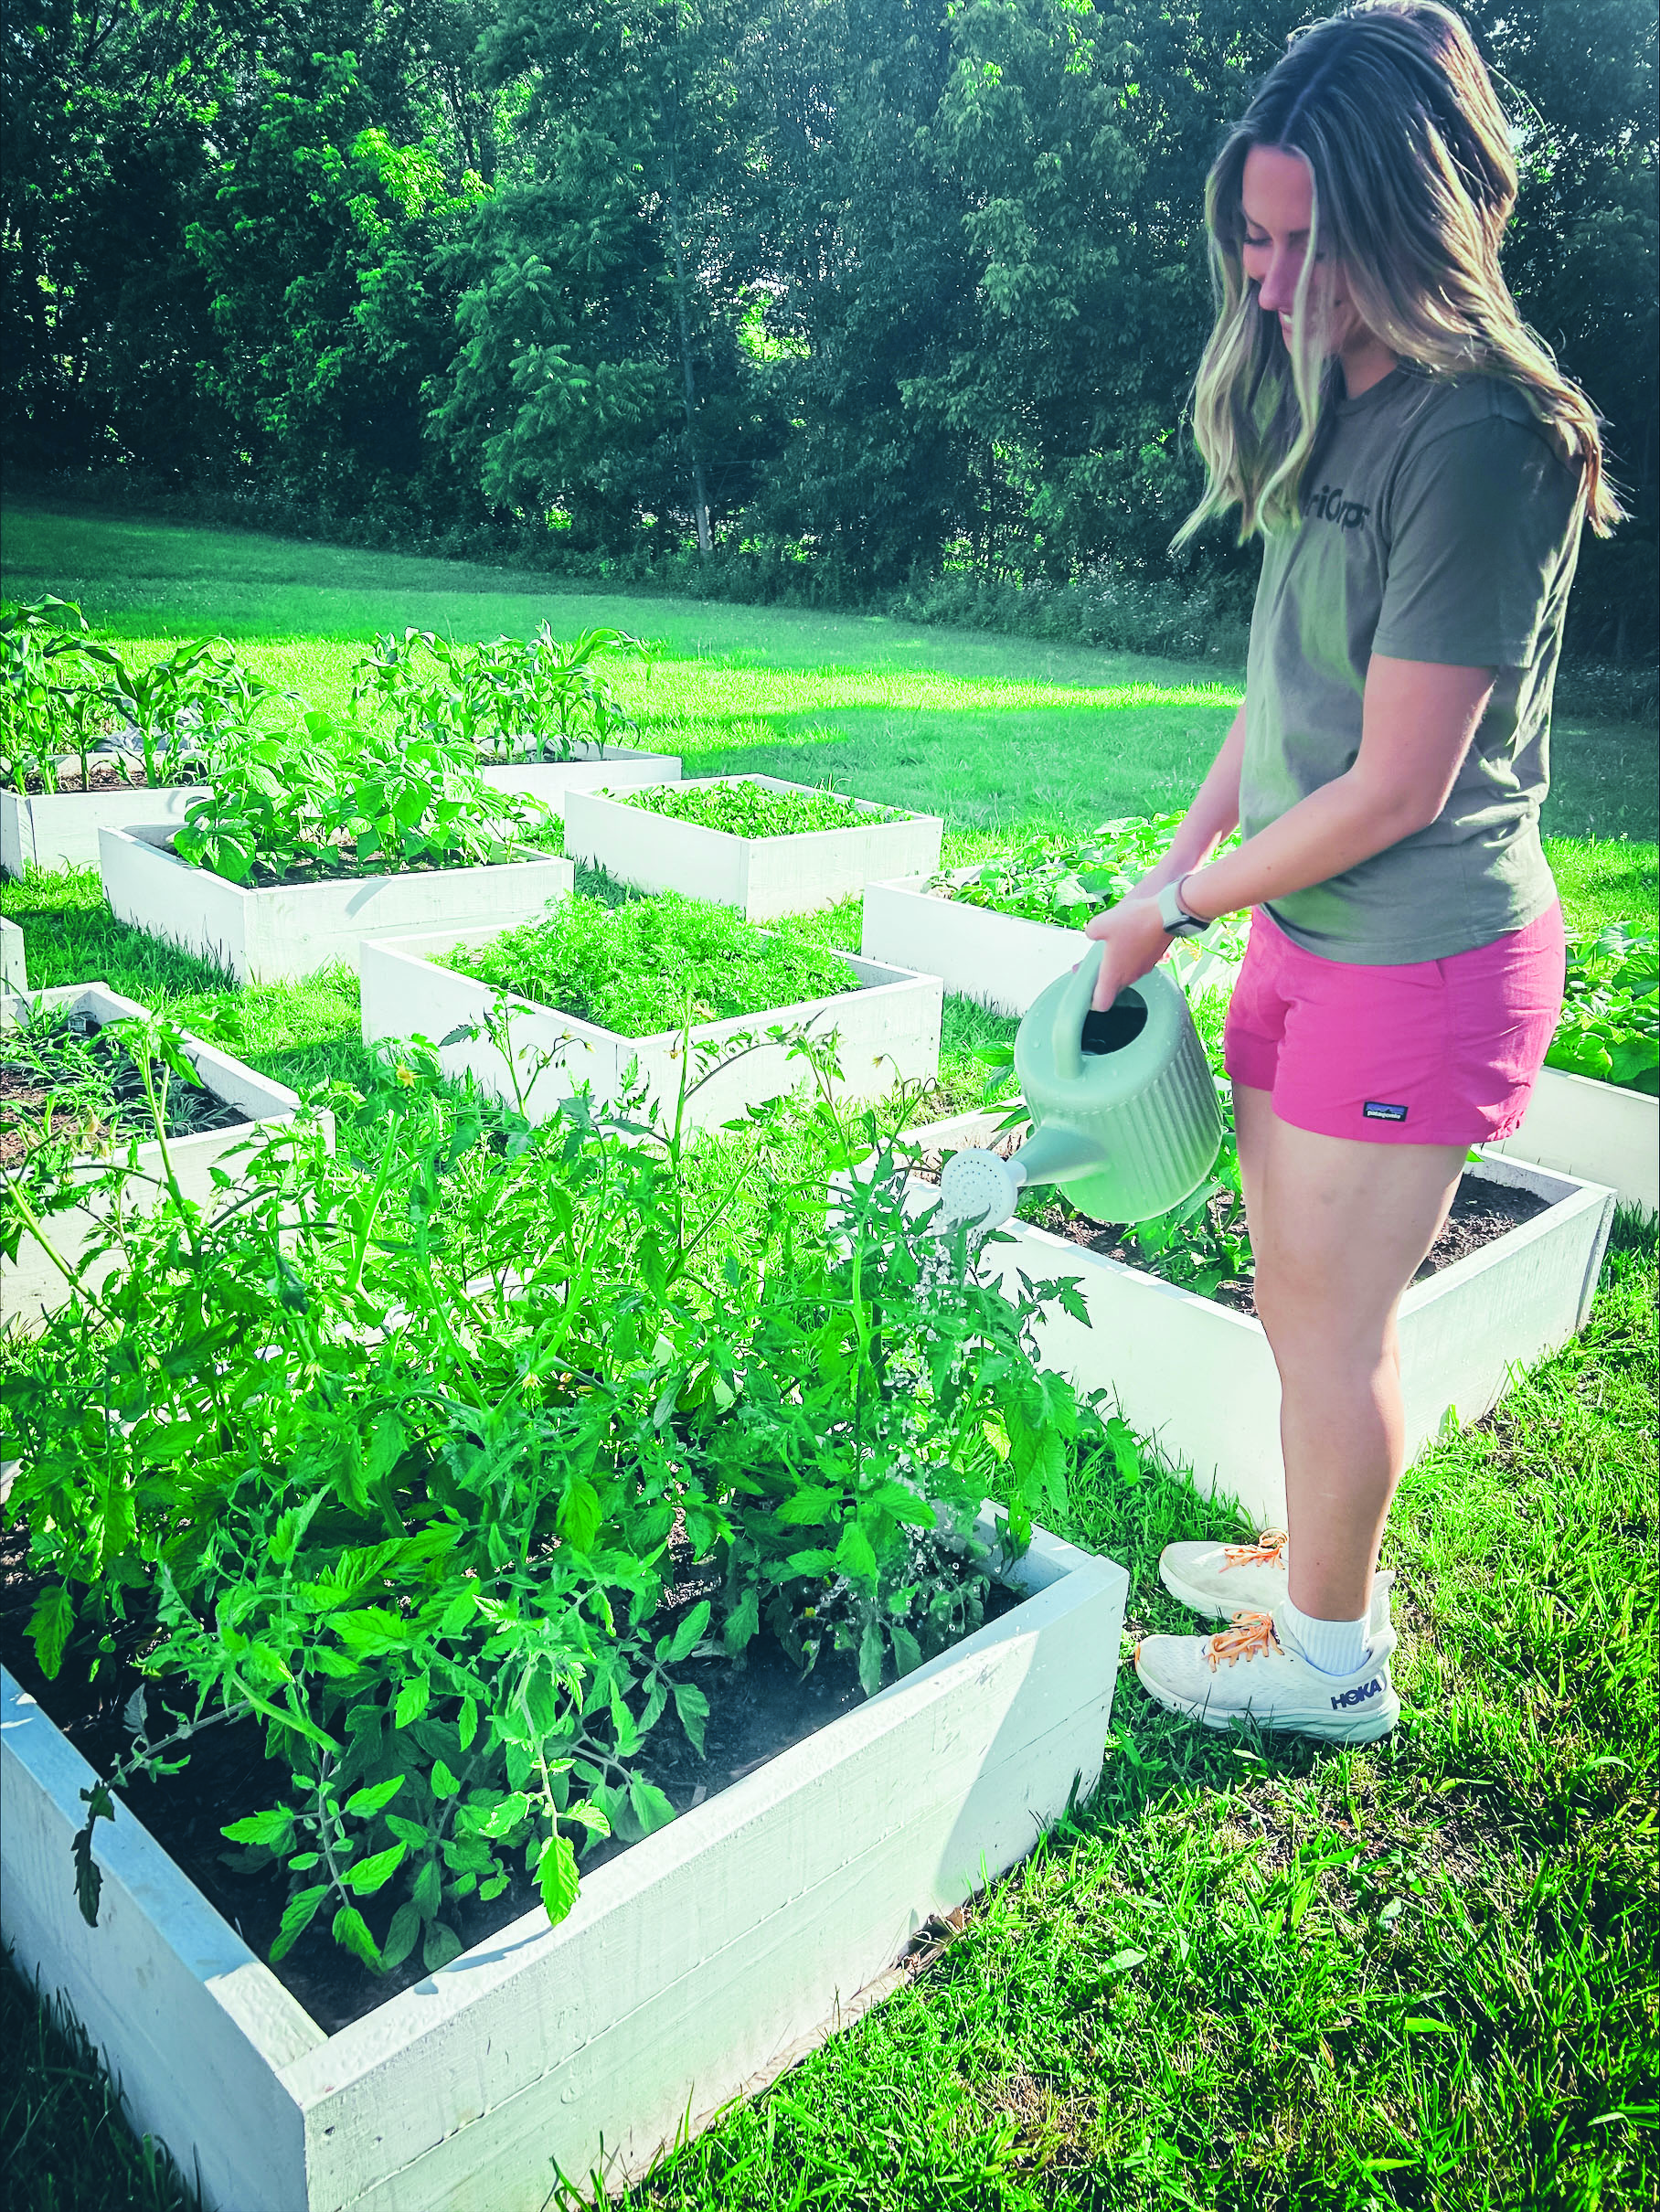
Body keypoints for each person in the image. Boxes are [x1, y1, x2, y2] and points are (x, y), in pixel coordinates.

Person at [1080, 0, 1621, 1744]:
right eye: (1255, 232)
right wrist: (1168, 886)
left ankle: (1328, 1663)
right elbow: (1281, 701)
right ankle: (1324, 1564)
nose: (1270, 278)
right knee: (1300, 1305)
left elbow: (1398, 780)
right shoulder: (1332, 388)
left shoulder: (1483, 435)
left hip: (1419, 952)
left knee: (1329, 1325)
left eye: (1313, 242)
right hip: (1309, 929)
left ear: (1420, 218)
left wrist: (1177, 909)